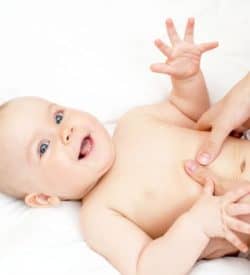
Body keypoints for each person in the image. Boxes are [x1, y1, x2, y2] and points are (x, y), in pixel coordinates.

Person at [0, 17, 250, 275]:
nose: (65, 131)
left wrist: (187, 79)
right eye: (43, 147)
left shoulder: (134, 122)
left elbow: (191, 113)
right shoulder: (99, 215)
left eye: (58, 117)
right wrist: (198, 225)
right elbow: (147, 266)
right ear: (43, 197)